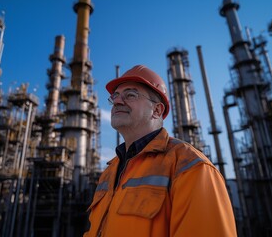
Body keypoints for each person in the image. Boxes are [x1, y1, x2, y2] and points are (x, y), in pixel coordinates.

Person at [84, 65, 237, 237]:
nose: (118, 101)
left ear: (157, 110)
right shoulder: (109, 172)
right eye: (115, 96)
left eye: (130, 95)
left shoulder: (189, 165)